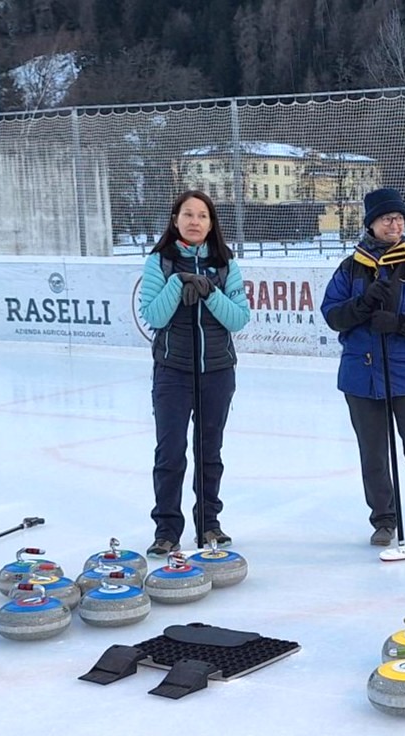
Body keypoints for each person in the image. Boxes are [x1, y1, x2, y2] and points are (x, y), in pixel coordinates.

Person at [321, 188, 405, 553]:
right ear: (371, 224)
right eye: (386, 219)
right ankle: (383, 519)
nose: (394, 225)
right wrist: (362, 305)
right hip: (360, 377)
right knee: (374, 453)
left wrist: (399, 323)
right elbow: (332, 314)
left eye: (398, 219)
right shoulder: (351, 268)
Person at [137, 190, 250, 557]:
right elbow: (154, 316)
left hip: (217, 370)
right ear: (175, 220)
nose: (195, 221)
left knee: (209, 452)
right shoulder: (159, 262)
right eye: (188, 214)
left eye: (203, 215)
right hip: (173, 370)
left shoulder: (225, 264)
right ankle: (167, 529)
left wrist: (208, 291)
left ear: (211, 223)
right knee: (170, 453)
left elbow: (238, 318)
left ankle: (209, 523)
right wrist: (178, 283)